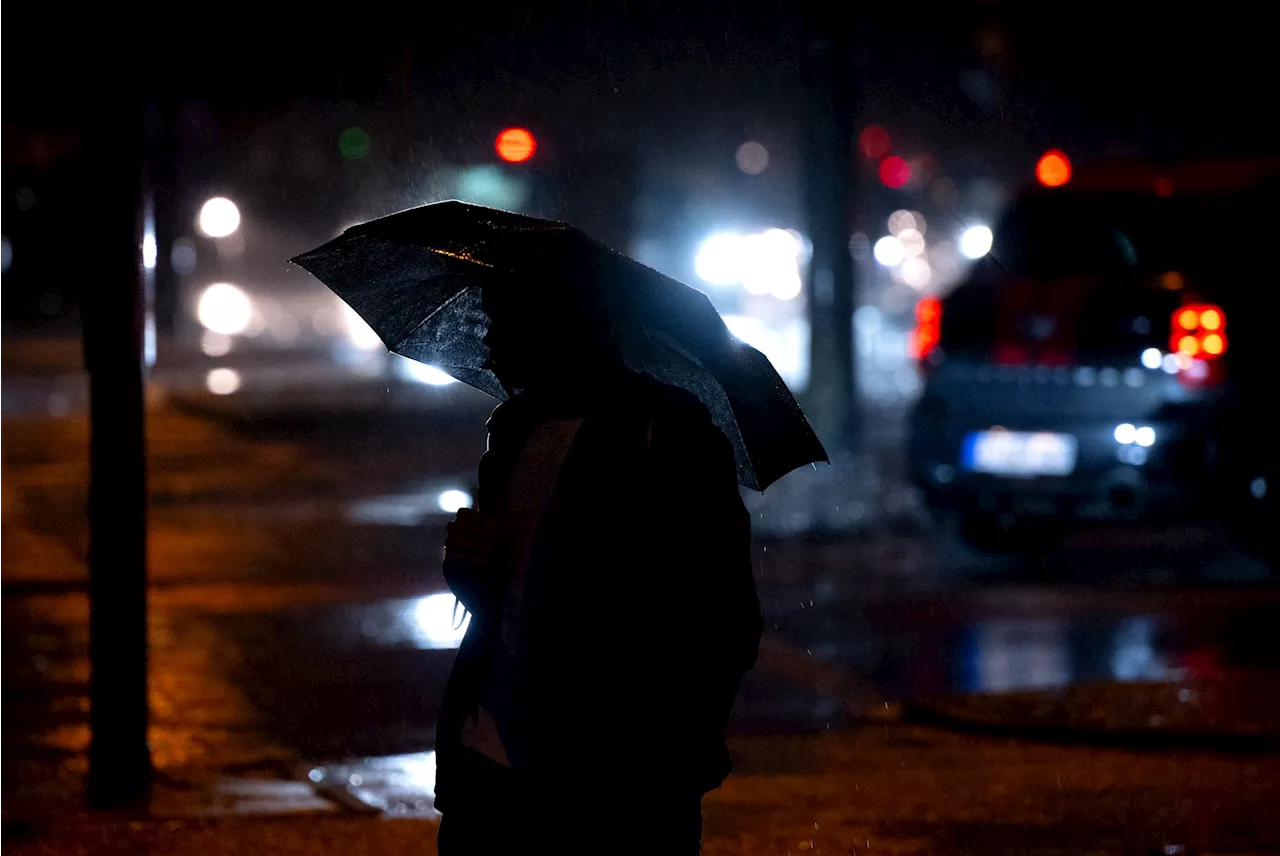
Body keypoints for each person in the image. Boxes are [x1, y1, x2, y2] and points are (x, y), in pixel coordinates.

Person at [433, 278, 763, 855]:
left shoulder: (668, 433)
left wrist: (671, 749)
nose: (489, 347)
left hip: (620, 770)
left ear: (552, 327)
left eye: (501, 324)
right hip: (493, 757)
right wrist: (468, 574)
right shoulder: (513, 433)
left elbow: (726, 614)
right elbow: (510, 598)